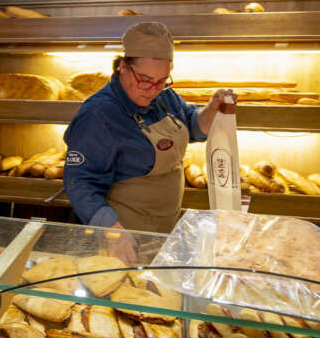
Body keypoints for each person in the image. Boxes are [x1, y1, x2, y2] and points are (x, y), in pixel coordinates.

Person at [63, 21, 235, 244]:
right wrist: (114, 232)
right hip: (124, 235)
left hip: (164, 227)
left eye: (161, 80)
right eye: (144, 80)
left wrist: (212, 109)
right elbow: (80, 182)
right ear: (123, 66)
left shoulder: (164, 96)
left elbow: (192, 126)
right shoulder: (98, 115)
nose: (153, 89)